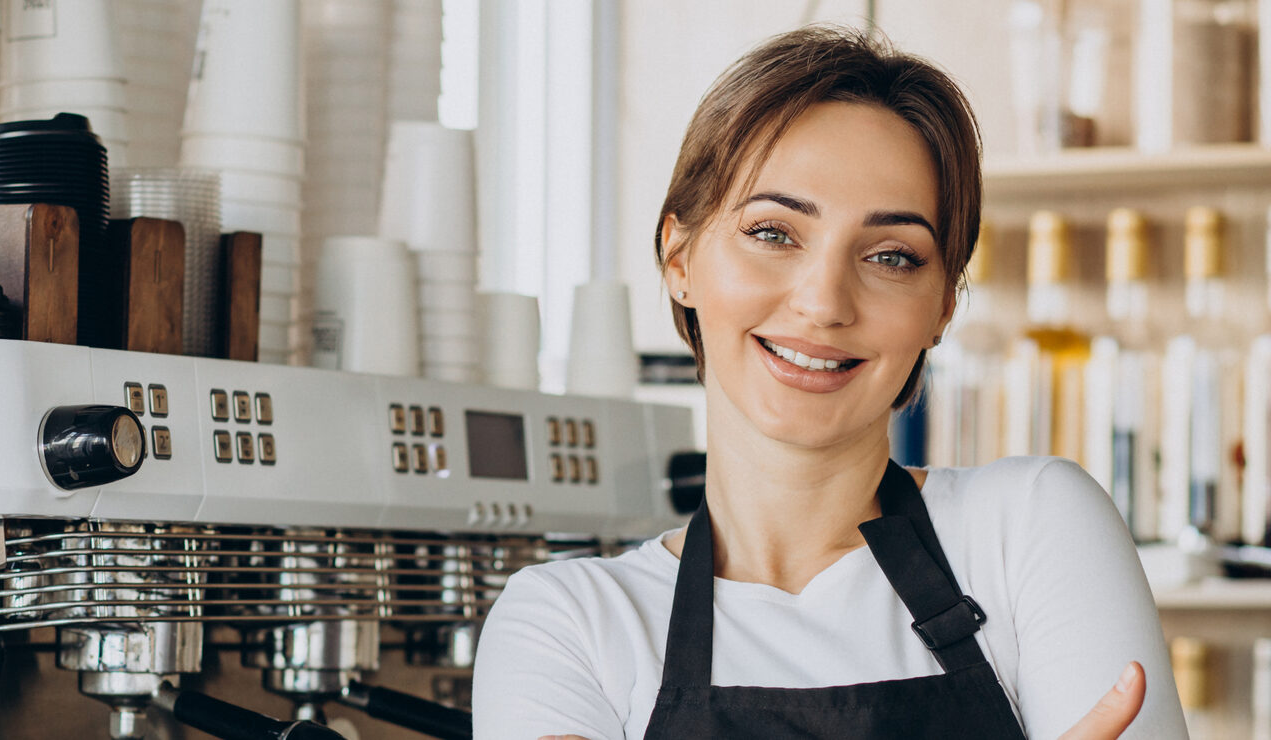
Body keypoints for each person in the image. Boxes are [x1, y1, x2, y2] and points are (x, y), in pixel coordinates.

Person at [471, 26, 1185, 740]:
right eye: (774, 233)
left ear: (942, 308)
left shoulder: (1030, 527)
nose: (823, 303)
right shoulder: (570, 622)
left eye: (891, 256)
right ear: (679, 257)